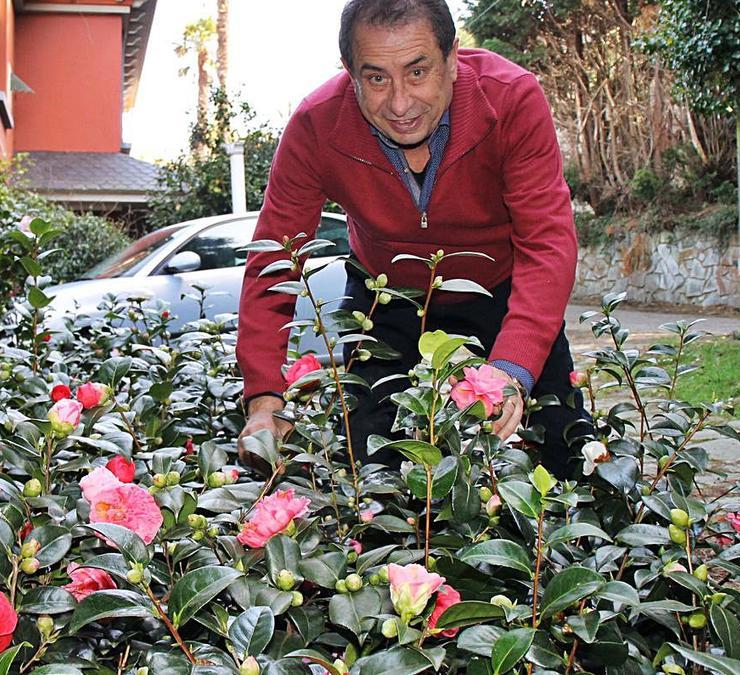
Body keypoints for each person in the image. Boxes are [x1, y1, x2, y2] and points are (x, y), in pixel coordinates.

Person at [235, 0, 590, 477]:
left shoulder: (512, 99)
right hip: (386, 299)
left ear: (452, 59)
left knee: (565, 446)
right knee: (371, 463)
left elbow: (547, 243)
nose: (400, 104)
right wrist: (263, 396)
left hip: (501, 291)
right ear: (350, 72)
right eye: (377, 78)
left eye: (417, 71)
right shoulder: (315, 125)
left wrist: (512, 368)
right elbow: (275, 259)